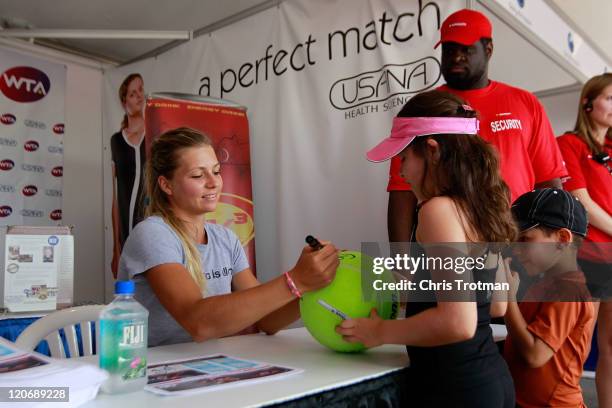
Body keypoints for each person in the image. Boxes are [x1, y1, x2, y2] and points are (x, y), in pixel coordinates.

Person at [337, 90, 516, 407]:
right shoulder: (480, 206)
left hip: (454, 388)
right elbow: (497, 305)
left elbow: (457, 322)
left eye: (405, 158)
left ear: (432, 150)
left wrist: (379, 331)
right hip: (492, 381)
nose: (402, 171)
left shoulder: (438, 210)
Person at [117, 127, 339, 347]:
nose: (213, 183)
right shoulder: (153, 234)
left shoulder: (225, 239)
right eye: (197, 175)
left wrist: (312, 283)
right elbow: (199, 323)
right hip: (147, 371)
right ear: (166, 185)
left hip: (210, 366)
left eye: (216, 171)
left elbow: (267, 320)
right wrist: (295, 280)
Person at [387, 9, 565, 243]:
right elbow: (401, 191)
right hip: (447, 235)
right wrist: (401, 266)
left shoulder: (525, 102)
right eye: (449, 50)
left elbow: (549, 181)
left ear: (488, 49)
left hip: (518, 240)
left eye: (466, 49)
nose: (456, 57)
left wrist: (552, 251)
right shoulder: (424, 108)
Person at [504, 188, 595, 407]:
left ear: (562, 239)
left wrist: (506, 298)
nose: (516, 250)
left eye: (525, 239)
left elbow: (535, 355)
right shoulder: (545, 283)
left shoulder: (569, 291)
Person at [557, 73, 612, 406]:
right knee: (580, 341)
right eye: (610, 98)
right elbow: (582, 202)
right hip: (589, 257)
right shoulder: (570, 144)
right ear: (588, 103)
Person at [111, 73, 147, 278]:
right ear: (125, 101)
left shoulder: (154, 133)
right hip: (127, 231)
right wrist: (116, 249)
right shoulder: (117, 141)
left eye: (141, 89)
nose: (139, 96)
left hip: (151, 226)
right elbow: (115, 198)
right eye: (133, 93)